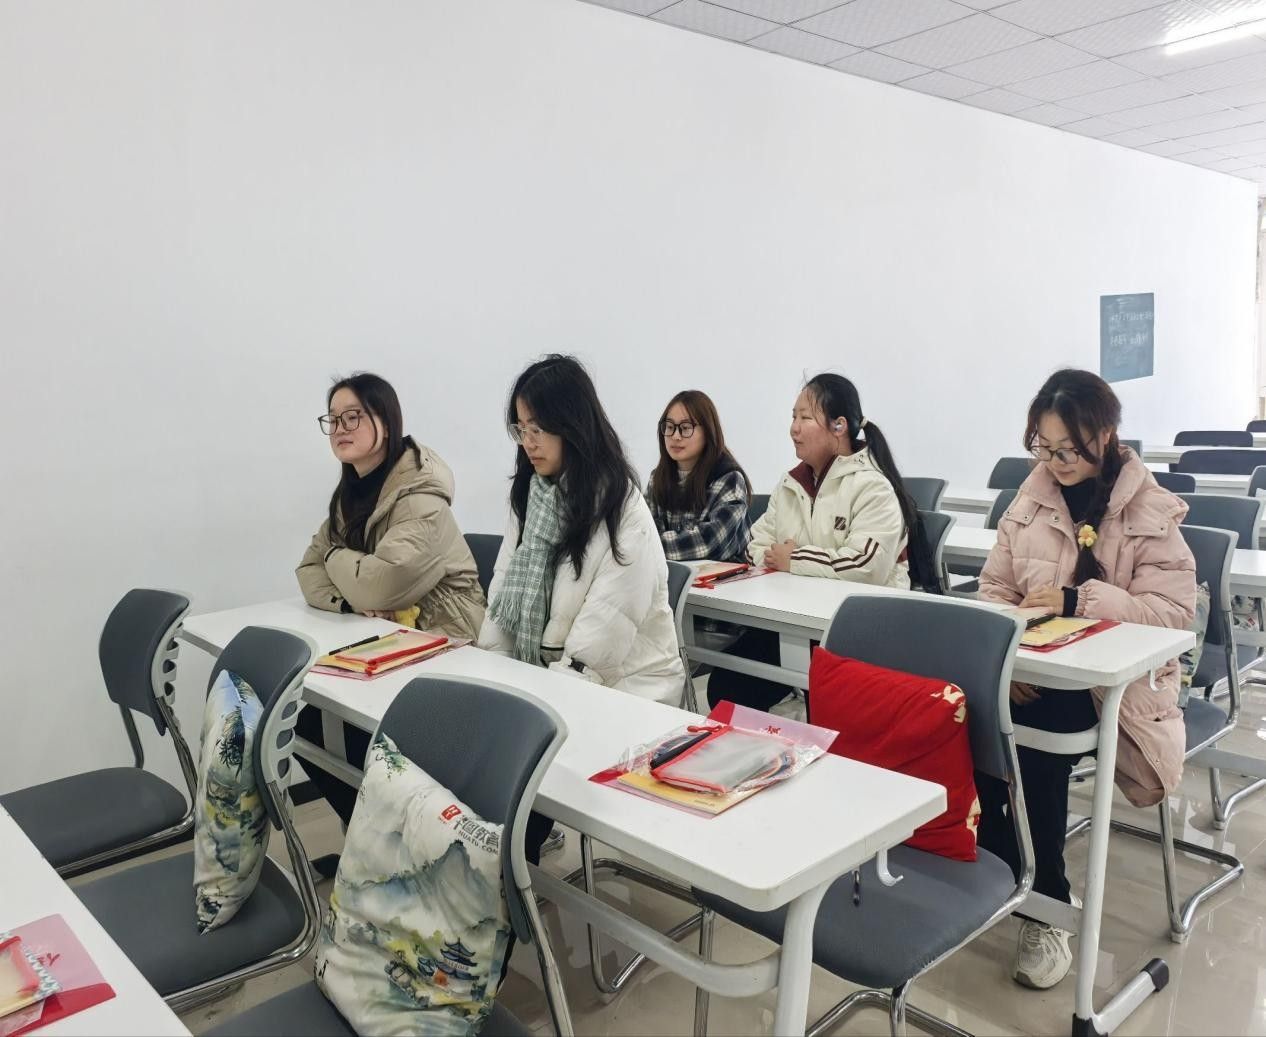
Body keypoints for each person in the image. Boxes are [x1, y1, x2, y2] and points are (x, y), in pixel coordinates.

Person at [977, 368, 1195, 990]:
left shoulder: (1148, 508)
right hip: (1033, 668)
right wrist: (1004, 663)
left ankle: (1047, 907)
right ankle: (1005, 865)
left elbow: (1174, 616)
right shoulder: (1030, 499)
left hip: (1119, 687)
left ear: (1105, 435)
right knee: (962, 712)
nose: (1056, 462)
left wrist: (1079, 600)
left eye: (1068, 449)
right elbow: (994, 588)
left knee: (1033, 738)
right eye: (1043, 448)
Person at [295, 373, 485, 824]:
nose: (340, 428)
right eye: (333, 419)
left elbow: (381, 584)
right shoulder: (349, 495)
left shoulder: (422, 497)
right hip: (386, 636)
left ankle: (396, 834)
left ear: (386, 420)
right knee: (308, 728)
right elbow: (307, 571)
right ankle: (378, 834)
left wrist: (337, 558)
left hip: (444, 640)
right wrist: (350, 603)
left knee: (345, 733)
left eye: (353, 417)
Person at [708, 372, 922, 712]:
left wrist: (794, 559)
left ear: (839, 426)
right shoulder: (790, 484)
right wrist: (784, 559)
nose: (794, 428)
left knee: (828, 704)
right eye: (793, 417)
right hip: (796, 620)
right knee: (726, 687)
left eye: (805, 418)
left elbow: (866, 567)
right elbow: (755, 544)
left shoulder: (873, 487)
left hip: (858, 630)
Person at [477, 354, 685, 703]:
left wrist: (524, 708)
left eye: (537, 429)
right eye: (521, 429)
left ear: (573, 426)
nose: (528, 442)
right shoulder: (529, 498)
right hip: (553, 681)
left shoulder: (622, 513)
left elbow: (591, 659)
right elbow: (500, 614)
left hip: (628, 693)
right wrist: (491, 678)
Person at [646, 390, 752, 562]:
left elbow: (711, 543)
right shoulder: (657, 479)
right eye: (670, 427)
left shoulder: (729, 479)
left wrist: (649, 547)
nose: (676, 436)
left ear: (708, 431)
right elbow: (645, 531)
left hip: (727, 577)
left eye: (685, 428)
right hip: (673, 574)